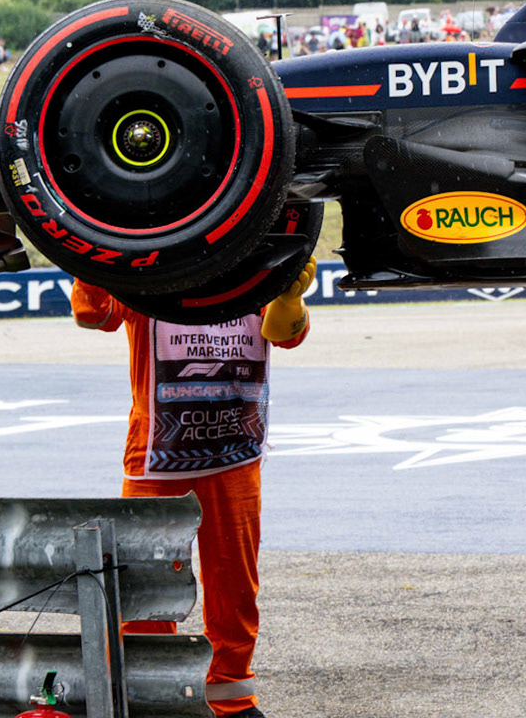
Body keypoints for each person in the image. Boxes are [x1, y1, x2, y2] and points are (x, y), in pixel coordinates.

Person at [72, 261, 316, 718]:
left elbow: (287, 334)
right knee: (144, 588)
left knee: (235, 586)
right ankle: (149, 697)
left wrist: (290, 297)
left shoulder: (252, 267)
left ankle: (232, 698)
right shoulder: (150, 268)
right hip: (157, 458)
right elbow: (94, 314)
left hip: (235, 458)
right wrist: (93, 255)